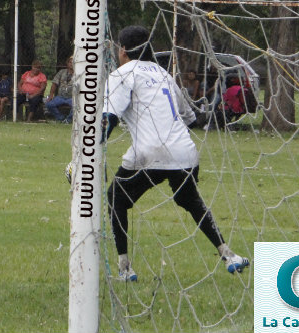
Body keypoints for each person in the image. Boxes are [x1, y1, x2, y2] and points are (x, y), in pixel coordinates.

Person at [99, 25, 249, 281]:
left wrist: (91, 151)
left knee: (116, 198)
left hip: (149, 152)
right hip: (185, 152)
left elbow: (109, 118)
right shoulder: (164, 74)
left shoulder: (121, 74)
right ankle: (229, 255)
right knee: (190, 201)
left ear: (122, 50)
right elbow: (190, 118)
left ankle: (125, 269)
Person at [45, 56, 75, 123]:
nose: (71, 64)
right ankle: (60, 118)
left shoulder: (78, 74)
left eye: (73, 62)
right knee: (49, 104)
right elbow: (54, 83)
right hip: (61, 97)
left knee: (76, 106)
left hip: (72, 97)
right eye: (70, 62)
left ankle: (68, 120)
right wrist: (51, 95)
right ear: (67, 63)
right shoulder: (61, 72)